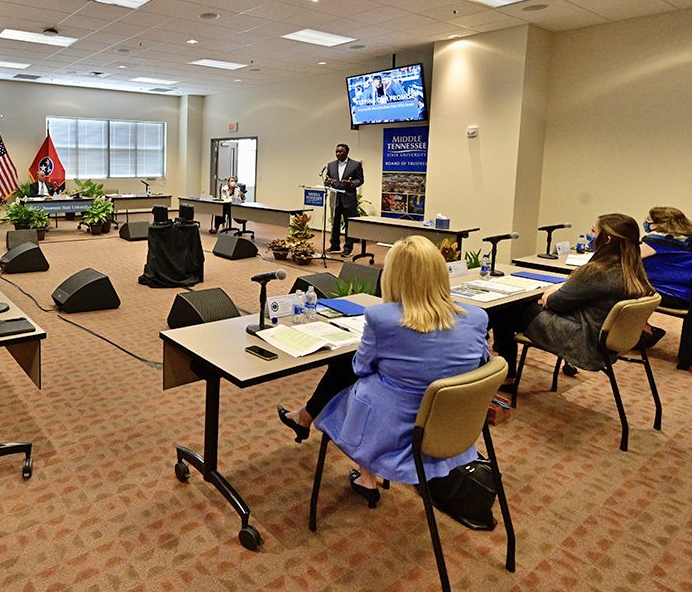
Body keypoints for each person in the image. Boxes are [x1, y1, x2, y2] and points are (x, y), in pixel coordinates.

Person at [280, 237, 489, 506]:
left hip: (393, 430)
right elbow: (482, 363)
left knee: (351, 374)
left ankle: (311, 422)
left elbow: (361, 367)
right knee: (376, 383)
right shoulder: (477, 318)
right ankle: (359, 471)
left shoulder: (382, 318)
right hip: (450, 427)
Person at [487, 213, 654, 384]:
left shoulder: (598, 271)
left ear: (607, 240)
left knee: (504, 312)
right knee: (516, 310)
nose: (590, 235)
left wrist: (553, 291)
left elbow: (556, 303)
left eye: (593, 231)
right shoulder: (632, 269)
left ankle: (504, 375)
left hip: (582, 340)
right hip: (599, 336)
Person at [641, 206, 692, 310]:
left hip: (670, 295)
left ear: (660, 224)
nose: (645, 222)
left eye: (648, 220)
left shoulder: (656, 242)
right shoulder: (689, 242)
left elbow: (627, 259)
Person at [324, 143, 364, 256]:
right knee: (335, 223)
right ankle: (334, 245)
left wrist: (351, 183)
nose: (337, 154)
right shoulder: (331, 165)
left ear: (346, 152)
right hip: (335, 198)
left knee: (349, 224)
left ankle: (348, 248)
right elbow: (327, 180)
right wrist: (328, 182)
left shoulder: (355, 165)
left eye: (340, 151)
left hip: (349, 199)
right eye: (336, 151)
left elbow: (360, 180)